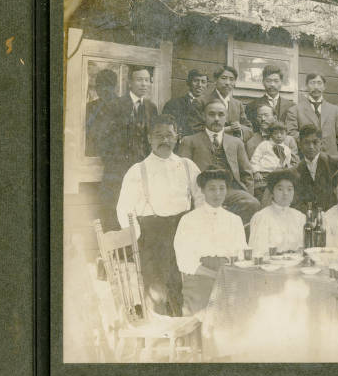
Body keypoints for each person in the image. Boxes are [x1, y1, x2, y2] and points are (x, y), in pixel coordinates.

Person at [115, 114, 203, 316]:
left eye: (169, 135)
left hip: (183, 231)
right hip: (152, 236)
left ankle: (185, 328)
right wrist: (137, 238)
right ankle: (161, 332)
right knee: (157, 291)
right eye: (158, 135)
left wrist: (197, 227)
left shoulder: (188, 166)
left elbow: (200, 199)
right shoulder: (137, 171)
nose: (164, 140)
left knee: (184, 284)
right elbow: (124, 208)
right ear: (149, 138)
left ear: (177, 137)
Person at [173, 167, 247, 316]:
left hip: (228, 272)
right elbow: (184, 260)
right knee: (205, 315)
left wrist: (230, 273)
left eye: (222, 188)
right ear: (202, 190)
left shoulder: (234, 220)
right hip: (199, 276)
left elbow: (242, 253)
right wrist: (215, 275)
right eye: (212, 189)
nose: (217, 193)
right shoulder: (188, 220)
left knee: (241, 307)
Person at [177, 99, 261, 224]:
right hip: (202, 192)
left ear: (226, 117)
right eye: (211, 114)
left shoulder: (236, 142)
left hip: (230, 191)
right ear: (203, 116)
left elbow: (247, 174)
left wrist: (248, 194)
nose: (216, 118)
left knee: (253, 203)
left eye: (221, 114)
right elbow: (182, 175)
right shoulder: (189, 141)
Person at [98, 65, 159, 229]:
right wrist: (115, 163)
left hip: (141, 172)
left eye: (147, 80)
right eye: (139, 80)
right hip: (117, 172)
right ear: (129, 82)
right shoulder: (114, 105)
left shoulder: (151, 108)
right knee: (114, 215)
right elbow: (102, 139)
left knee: (138, 214)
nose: (144, 84)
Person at [284, 73, 338, 164]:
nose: (316, 87)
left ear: (324, 87)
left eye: (319, 83)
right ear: (306, 86)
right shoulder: (295, 110)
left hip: (331, 160)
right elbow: (291, 134)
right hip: (306, 160)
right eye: (312, 83)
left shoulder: (335, 110)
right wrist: (311, 142)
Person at [248, 169, 306, 255]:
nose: (285, 193)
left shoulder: (300, 217)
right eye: (280, 189)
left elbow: (304, 249)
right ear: (272, 192)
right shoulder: (261, 217)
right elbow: (257, 252)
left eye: (289, 189)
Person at [291, 124, 338, 213]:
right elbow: (296, 202)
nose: (311, 146)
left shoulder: (337, 164)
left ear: (321, 143)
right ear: (300, 145)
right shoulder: (295, 171)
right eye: (306, 142)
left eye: (315, 142)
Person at [204, 65, 252, 140]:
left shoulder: (237, 104)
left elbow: (249, 128)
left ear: (235, 82)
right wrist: (226, 129)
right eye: (223, 78)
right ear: (215, 80)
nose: (227, 83)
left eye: (231, 79)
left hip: (231, 148)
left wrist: (240, 128)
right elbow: (196, 128)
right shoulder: (202, 101)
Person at [162, 69, 208, 140]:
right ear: (189, 82)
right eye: (196, 81)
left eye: (203, 82)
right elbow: (165, 128)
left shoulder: (210, 106)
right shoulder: (173, 104)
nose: (199, 85)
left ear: (207, 85)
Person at [245, 64, 294, 130]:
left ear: (281, 82)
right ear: (263, 82)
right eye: (268, 81)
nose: (272, 84)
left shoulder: (291, 106)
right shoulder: (252, 106)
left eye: (276, 81)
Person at [85, 67, 117, 157]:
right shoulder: (90, 107)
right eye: (98, 86)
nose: (102, 90)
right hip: (93, 155)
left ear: (114, 87)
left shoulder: (123, 106)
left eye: (107, 85)